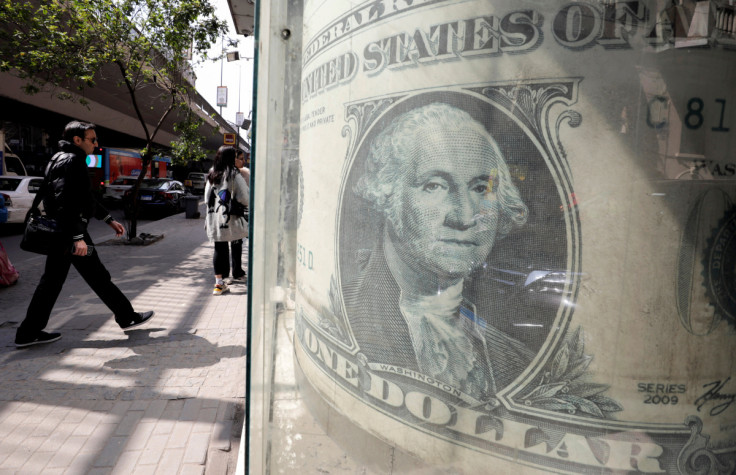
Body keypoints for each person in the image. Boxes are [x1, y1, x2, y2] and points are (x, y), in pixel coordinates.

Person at [343, 103, 533, 401]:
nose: (464, 216)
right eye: (435, 185)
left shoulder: (516, 360)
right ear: (387, 194)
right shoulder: (344, 317)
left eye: (481, 188)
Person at [15, 121, 154, 348]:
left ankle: (27, 333)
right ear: (77, 140)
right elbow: (66, 203)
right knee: (96, 276)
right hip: (70, 236)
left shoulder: (59, 158)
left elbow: (84, 198)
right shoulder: (72, 161)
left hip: (65, 234)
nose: (96, 144)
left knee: (56, 282)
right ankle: (126, 316)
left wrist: (108, 219)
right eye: (92, 139)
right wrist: (77, 237)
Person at [205, 146, 249, 295]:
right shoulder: (233, 173)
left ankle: (219, 284)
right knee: (236, 243)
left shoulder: (212, 173)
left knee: (219, 248)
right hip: (229, 218)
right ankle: (237, 273)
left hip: (214, 218)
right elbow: (245, 198)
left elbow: (206, 199)